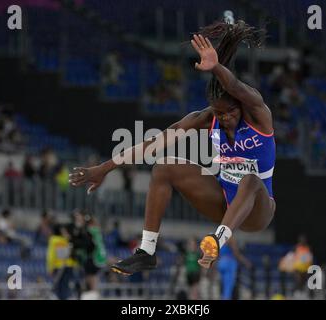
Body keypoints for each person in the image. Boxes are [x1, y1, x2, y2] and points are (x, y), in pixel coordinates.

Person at [70, 20, 275, 275]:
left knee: (251, 179)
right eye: (219, 113)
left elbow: (234, 86)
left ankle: (216, 242)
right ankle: (146, 251)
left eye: (230, 112)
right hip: (223, 200)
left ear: (241, 104)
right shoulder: (206, 118)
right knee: (164, 166)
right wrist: (105, 167)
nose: (224, 118)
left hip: (257, 209)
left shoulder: (257, 112)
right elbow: (153, 143)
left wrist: (216, 68)